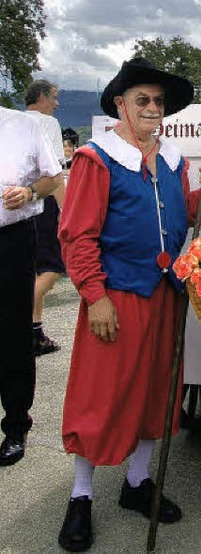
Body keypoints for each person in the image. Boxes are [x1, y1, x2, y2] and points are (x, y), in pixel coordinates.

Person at [57, 57, 201, 552]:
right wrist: (95, 297)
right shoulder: (96, 158)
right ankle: (81, 496)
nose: (152, 108)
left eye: (158, 101)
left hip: (164, 295)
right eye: (142, 100)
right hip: (117, 296)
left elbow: (181, 217)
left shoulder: (173, 159)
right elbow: (77, 235)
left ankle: (138, 483)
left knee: (157, 391)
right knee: (101, 396)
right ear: (120, 106)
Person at [0, 107, 62, 466]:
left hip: (10, 239)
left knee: (12, 334)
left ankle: (16, 425)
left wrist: (27, 192)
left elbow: (52, 178)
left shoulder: (25, 125)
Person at [24, 79, 67, 356]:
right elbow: (55, 173)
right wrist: (68, 210)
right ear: (41, 97)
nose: (57, 102)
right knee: (52, 268)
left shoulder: (14, 121)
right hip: (44, 201)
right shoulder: (47, 124)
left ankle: (34, 333)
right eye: (54, 96)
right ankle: (15, 320)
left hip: (18, 205)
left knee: (33, 270)